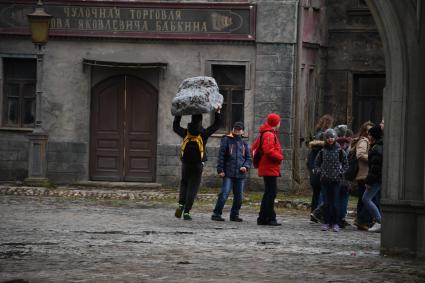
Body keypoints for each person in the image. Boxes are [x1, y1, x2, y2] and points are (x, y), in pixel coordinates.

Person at [173, 109, 221, 220]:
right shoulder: (203, 134)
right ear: (201, 121)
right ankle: (186, 212)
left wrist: (178, 114)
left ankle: (181, 204)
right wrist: (218, 112)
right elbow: (216, 125)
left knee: (184, 183)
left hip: (186, 163)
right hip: (198, 164)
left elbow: (175, 127)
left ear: (191, 120)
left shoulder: (186, 132)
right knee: (193, 187)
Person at [211, 122, 252, 222]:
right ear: (233, 129)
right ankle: (216, 214)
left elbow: (248, 158)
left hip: (240, 174)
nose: (237, 131)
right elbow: (221, 156)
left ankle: (234, 215)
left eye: (239, 129)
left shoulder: (244, 143)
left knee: (239, 197)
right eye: (236, 129)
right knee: (224, 194)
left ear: (242, 131)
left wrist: (245, 167)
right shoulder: (226, 139)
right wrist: (220, 169)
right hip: (228, 173)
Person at [314, 128, 348, 232]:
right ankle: (326, 222)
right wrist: (319, 171)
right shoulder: (322, 151)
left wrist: (341, 173)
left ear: (335, 138)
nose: (330, 139)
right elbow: (317, 163)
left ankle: (335, 223)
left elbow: (346, 164)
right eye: (328, 137)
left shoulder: (339, 151)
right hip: (324, 180)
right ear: (325, 138)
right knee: (326, 202)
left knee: (335, 203)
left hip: (336, 180)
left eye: (332, 137)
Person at [256, 113, 284, 226]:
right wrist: (280, 156)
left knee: (269, 193)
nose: (280, 123)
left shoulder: (270, 133)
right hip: (269, 167)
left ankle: (264, 217)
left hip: (269, 167)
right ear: (276, 123)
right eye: (279, 122)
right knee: (271, 193)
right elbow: (268, 150)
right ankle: (268, 218)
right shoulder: (269, 134)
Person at [308, 114, 334, 223]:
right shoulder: (325, 137)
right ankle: (320, 214)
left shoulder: (316, 134)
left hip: (314, 167)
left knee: (316, 192)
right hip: (321, 168)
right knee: (324, 192)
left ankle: (314, 214)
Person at [351, 121, 376, 230]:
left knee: (363, 198)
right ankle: (362, 220)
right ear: (364, 131)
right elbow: (360, 154)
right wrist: (371, 158)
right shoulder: (364, 141)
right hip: (364, 174)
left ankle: (361, 221)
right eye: (368, 131)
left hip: (365, 174)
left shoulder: (369, 142)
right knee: (368, 198)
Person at [363, 125, 384, 232]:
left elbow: (374, 168)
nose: (368, 136)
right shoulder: (378, 145)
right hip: (379, 178)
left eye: (370, 134)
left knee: (366, 199)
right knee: (379, 201)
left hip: (376, 179)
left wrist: (369, 181)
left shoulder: (376, 148)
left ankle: (379, 221)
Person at [334, 124, 352, 228]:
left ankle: (335, 218)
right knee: (344, 197)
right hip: (345, 174)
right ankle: (341, 218)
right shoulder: (348, 144)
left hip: (335, 174)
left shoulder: (333, 143)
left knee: (336, 197)